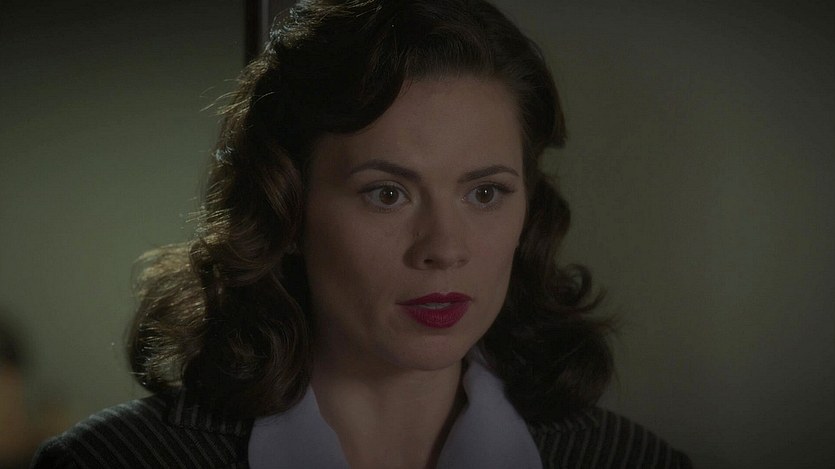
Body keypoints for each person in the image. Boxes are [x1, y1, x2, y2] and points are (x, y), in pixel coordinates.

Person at [32, 1, 691, 467]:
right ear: (287, 211)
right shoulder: (115, 461)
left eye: (485, 192)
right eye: (387, 193)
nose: (444, 248)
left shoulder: (628, 460)